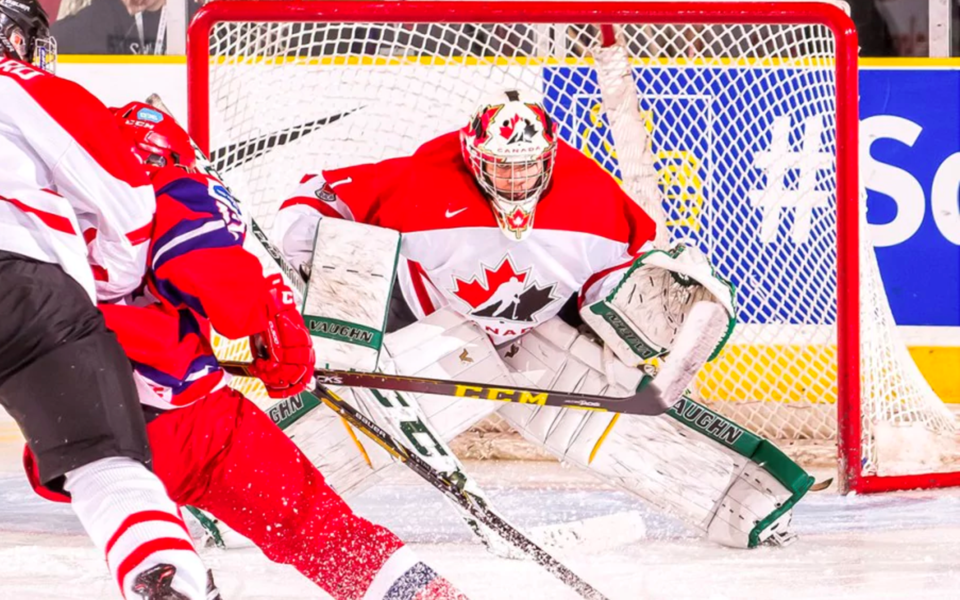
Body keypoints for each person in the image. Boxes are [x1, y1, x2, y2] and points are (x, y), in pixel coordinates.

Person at [272, 89, 803, 550]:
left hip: (537, 335)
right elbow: (311, 198)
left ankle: (753, 502)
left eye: (526, 165)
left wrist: (664, 331)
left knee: (619, 411)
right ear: (473, 156)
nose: (514, 178)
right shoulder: (422, 179)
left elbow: (630, 292)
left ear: (549, 157)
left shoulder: (593, 201)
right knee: (356, 420)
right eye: (500, 165)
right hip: (431, 323)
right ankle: (251, 500)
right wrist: (311, 259)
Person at [89, 101, 468, 600]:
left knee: (121, 501)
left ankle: (159, 565)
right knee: (315, 526)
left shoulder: (45, 208)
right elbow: (228, 294)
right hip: (186, 421)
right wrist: (273, 325)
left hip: (75, 419)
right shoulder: (170, 189)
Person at [0, 2, 212, 598]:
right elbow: (128, 207)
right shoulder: (25, 85)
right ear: (15, 37)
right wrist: (108, 293)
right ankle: (163, 572)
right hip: (22, 288)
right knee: (102, 462)